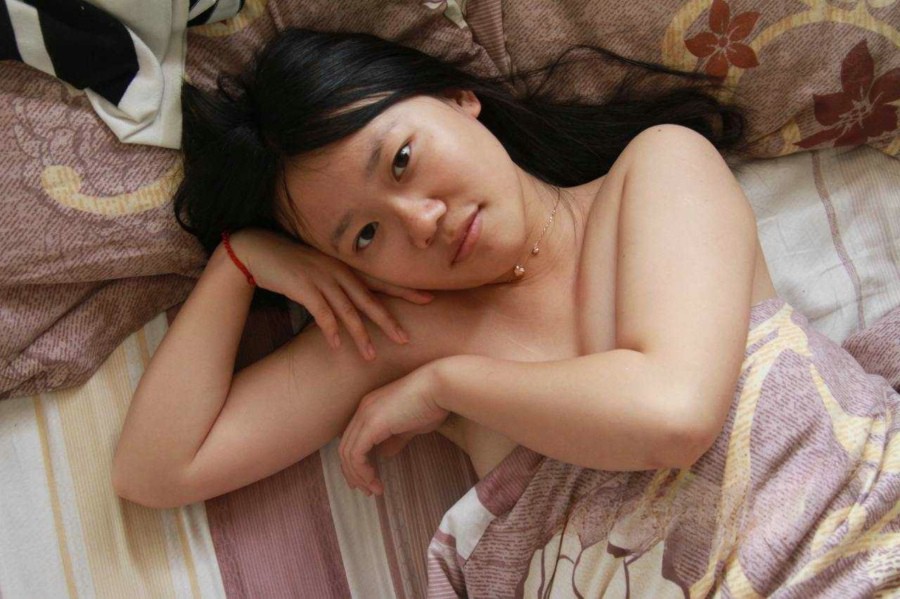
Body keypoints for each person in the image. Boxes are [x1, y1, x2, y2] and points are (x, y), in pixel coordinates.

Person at [111, 28, 776, 508]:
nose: (421, 220)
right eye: (366, 234)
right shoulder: (401, 328)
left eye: (402, 160)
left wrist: (445, 387)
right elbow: (156, 471)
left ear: (457, 98)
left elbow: (673, 417)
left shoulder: (659, 168)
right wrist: (238, 263)